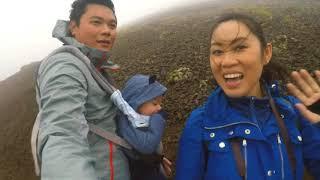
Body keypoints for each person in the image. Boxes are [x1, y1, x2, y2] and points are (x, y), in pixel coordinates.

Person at [175, 13, 320, 180]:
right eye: (217, 51)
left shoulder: (294, 112)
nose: (226, 62)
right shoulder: (200, 124)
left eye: (239, 47)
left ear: (266, 53)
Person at [33, 0, 130, 179]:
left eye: (112, 25)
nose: (107, 30)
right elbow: (62, 134)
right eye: (96, 22)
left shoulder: (93, 67)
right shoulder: (65, 66)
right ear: (73, 27)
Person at [117, 74, 172, 180]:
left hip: (152, 167)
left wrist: (158, 158)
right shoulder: (127, 125)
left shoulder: (141, 120)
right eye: (155, 104)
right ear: (136, 103)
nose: (160, 107)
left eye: (161, 103)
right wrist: (158, 121)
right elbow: (146, 146)